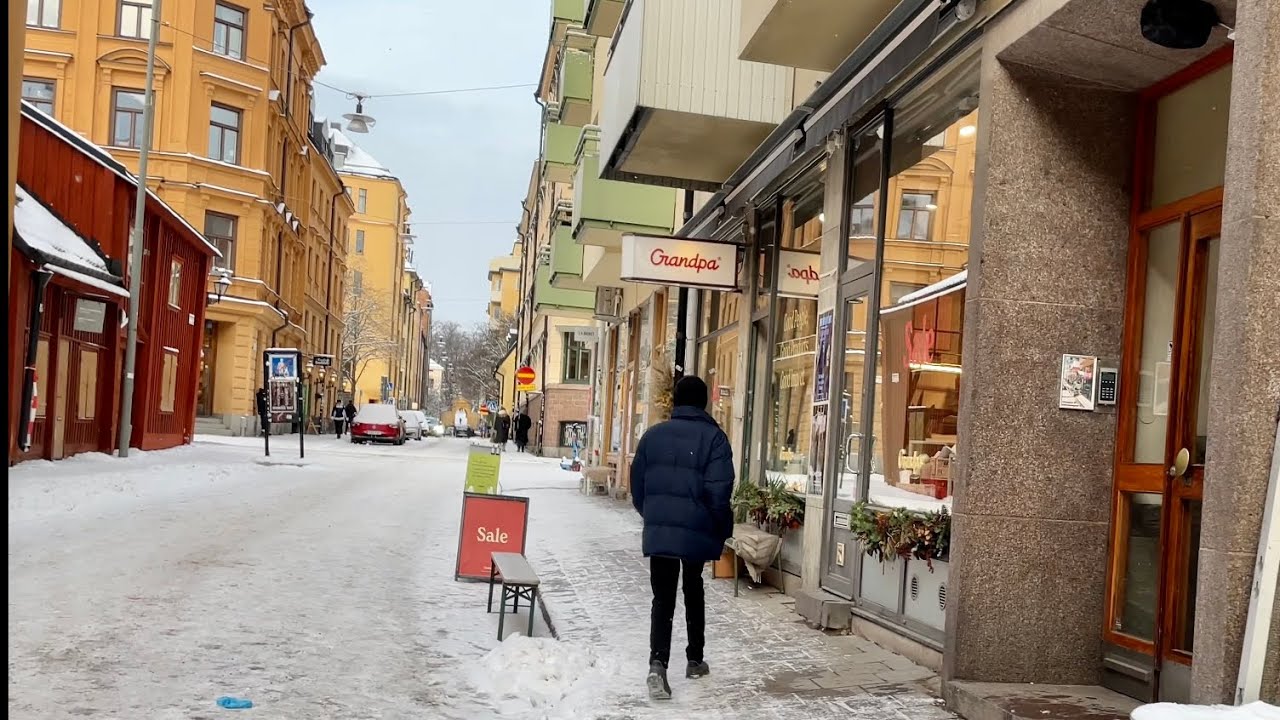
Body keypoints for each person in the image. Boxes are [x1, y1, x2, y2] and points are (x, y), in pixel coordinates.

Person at [630, 376, 734, 700]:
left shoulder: (652, 437)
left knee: (662, 597)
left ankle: (657, 665)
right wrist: (720, 527)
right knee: (693, 587)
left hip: (661, 529)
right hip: (697, 529)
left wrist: (655, 516)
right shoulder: (715, 439)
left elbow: (638, 487)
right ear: (704, 402)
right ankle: (695, 659)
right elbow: (719, 491)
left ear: (675, 401)